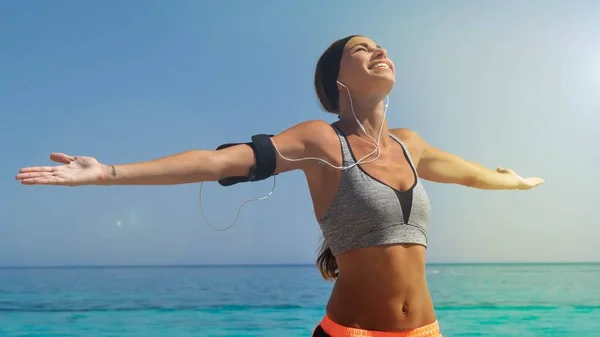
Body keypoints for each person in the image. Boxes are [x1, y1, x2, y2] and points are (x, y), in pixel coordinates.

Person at [15, 35, 543, 337]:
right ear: (338, 79)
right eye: (362, 49)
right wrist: (106, 172)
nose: (378, 50)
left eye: (381, 45)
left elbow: (472, 173)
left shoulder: (411, 144)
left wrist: (516, 182)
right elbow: (218, 161)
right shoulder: (319, 140)